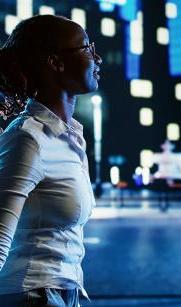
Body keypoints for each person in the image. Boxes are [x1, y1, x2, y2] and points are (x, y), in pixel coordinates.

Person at [0, 14, 102, 307]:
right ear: (55, 62)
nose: (97, 58)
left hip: (64, 293)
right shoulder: (28, 138)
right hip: (32, 294)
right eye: (86, 48)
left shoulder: (71, 137)